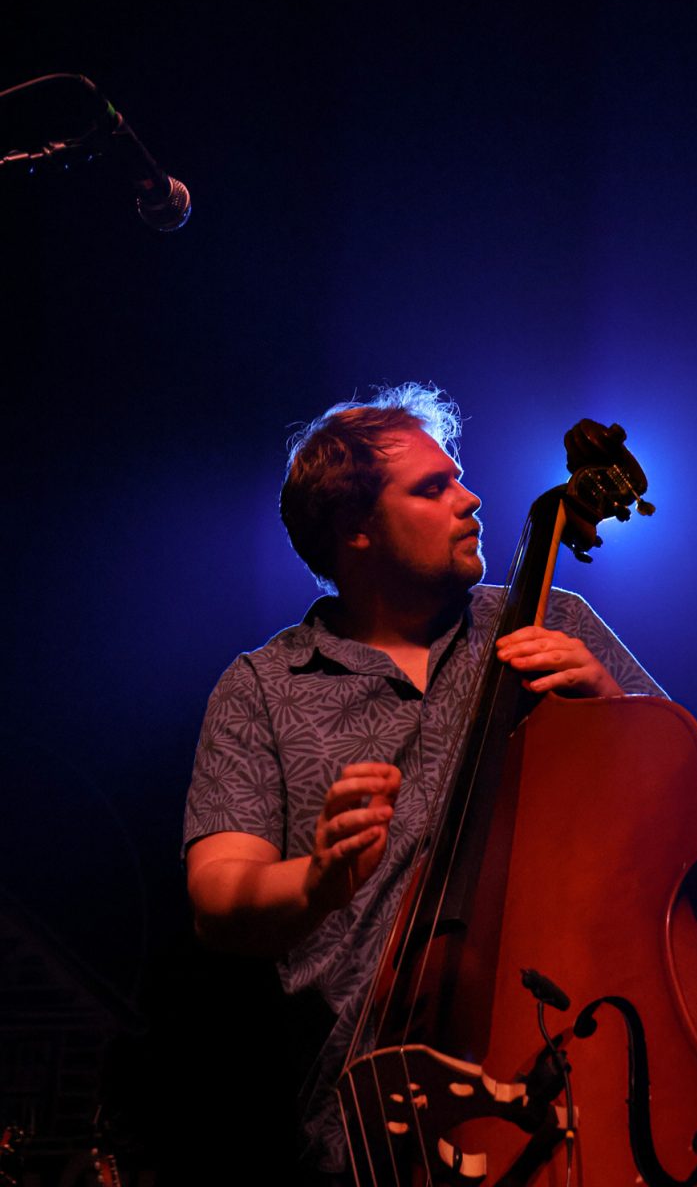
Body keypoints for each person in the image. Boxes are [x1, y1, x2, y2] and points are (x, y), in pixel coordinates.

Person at [183, 382, 664, 1183]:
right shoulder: (262, 688)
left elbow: (692, 802)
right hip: (373, 1124)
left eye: (461, 475)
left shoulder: (557, 621)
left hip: (576, 1066)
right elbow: (218, 897)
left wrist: (612, 708)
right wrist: (321, 879)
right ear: (356, 529)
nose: (472, 498)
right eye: (433, 487)